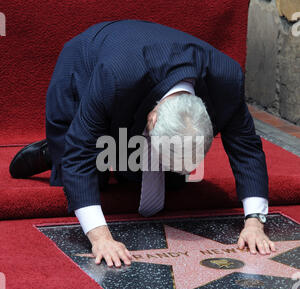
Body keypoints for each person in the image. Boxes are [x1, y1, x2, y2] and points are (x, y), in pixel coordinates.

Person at [9, 20, 275, 268]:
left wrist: (255, 221)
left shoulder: (226, 79)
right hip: (88, 61)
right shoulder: (112, 76)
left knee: (170, 182)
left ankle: (125, 152)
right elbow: (79, 154)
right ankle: (52, 152)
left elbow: (246, 147)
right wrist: (100, 237)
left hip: (142, 81)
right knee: (90, 174)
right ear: (152, 119)